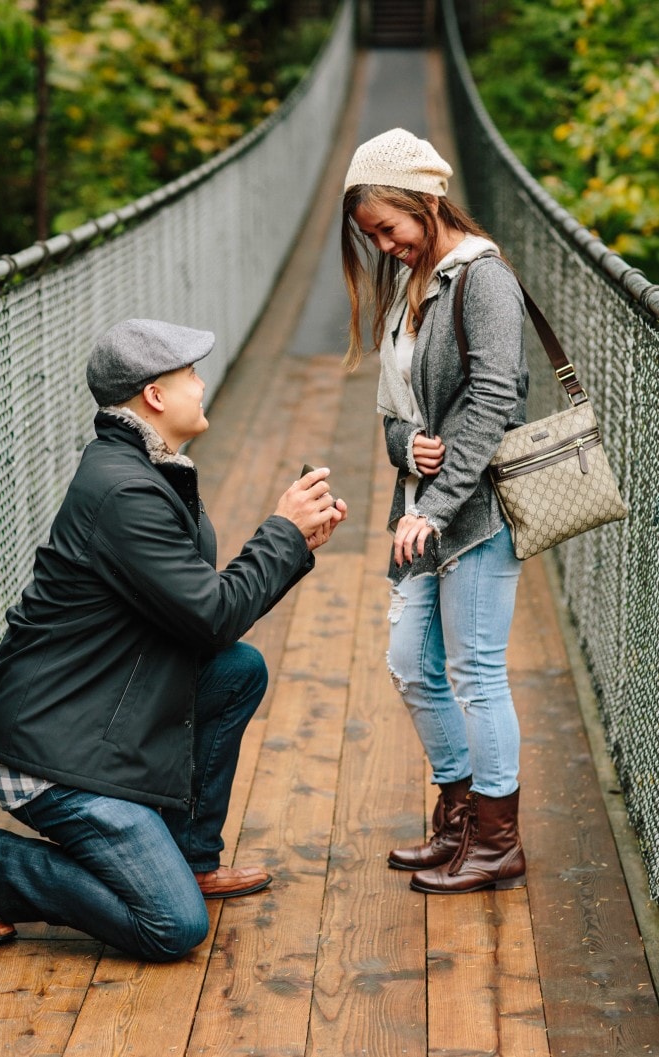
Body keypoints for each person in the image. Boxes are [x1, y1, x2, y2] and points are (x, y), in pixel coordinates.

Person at [0, 318, 347, 958]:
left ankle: (189, 858)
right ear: (154, 396)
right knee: (172, 926)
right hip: (47, 749)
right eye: (189, 374)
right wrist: (282, 531)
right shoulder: (126, 490)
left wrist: (293, 541)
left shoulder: (147, 468)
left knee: (237, 670)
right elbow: (213, 613)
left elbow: (203, 620)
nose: (201, 384)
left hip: (93, 705)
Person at [341, 128, 528, 894]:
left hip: (474, 513)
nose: (384, 247)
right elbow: (395, 412)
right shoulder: (410, 285)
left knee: (475, 670)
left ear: (425, 200)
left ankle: (496, 840)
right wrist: (405, 445)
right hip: (421, 505)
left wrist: (439, 500)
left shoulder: (483, 279)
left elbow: (496, 399)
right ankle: (457, 817)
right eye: (372, 238)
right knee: (412, 662)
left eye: (390, 228)